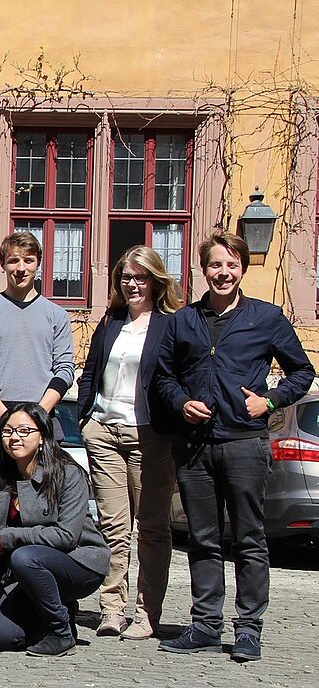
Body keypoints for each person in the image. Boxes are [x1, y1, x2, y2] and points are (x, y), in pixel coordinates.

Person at [154, 233, 315, 662]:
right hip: (195, 448)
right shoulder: (182, 321)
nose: (223, 273)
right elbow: (163, 377)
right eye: (215, 265)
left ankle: (248, 629)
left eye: (231, 265)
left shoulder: (267, 318)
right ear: (203, 269)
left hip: (245, 443)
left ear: (242, 268)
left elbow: (302, 372)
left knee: (249, 539)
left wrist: (271, 401)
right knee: (203, 539)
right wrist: (180, 402)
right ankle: (206, 626)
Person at [76, 246, 180, 640]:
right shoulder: (110, 320)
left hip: (149, 436)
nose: (132, 284)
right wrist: (86, 418)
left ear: (155, 281)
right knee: (113, 528)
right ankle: (111, 608)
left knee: (151, 528)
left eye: (140, 277)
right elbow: (91, 371)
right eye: (126, 277)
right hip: (104, 432)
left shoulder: (170, 324)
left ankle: (146, 612)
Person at [0, 404, 109, 657]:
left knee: (25, 557)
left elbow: (67, 536)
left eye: (24, 430)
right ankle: (51, 609)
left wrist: (10, 538)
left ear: (42, 436)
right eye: (7, 431)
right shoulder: (1, 476)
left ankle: (60, 631)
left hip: (79, 562)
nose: (14, 437)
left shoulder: (68, 473)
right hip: (28, 570)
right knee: (3, 636)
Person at [0, 231, 75, 536]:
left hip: (40, 415)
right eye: (13, 261)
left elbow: (65, 368)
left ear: (38, 264)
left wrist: (38, 413)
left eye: (28, 260)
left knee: (42, 499)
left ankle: (36, 556)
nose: (20, 268)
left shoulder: (55, 314)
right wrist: (2, 412)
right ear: (3, 264)